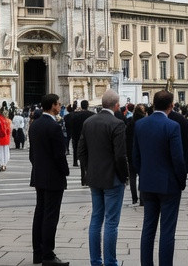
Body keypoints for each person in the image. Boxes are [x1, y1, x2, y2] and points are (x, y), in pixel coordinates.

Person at [133, 90, 187, 266]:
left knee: (148, 228)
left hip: (147, 183)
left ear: (153, 104)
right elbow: (178, 158)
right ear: (171, 106)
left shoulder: (140, 124)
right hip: (169, 184)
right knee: (167, 231)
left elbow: (135, 157)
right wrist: (181, 180)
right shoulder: (172, 126)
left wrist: (144, 174)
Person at [79, 88, 129, 266]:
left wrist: (86, 172)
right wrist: (124, 177)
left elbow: (81, 151)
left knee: (96, 219)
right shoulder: (117, 124)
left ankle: (95, 261)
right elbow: (120, 156)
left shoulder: (89, 122)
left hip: (94, 178)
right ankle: (110, 261)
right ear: (116, 105)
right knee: (111, 223)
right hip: (112, 179)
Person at [29, 93, 69, 266]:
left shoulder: (34, 125)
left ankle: (37, 253)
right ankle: (48, 254)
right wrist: (65, 171)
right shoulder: (54, 127)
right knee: (51, 216)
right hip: (53, 177)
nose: (60, 106)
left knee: (40, 213)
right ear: (53, 105)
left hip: (38, 175)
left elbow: (32, 154)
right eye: (58, 104)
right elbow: (59, 155)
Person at [67, 99, 94, 167]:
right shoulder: (92, 115)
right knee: (89, 149)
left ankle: (75, 162)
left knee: (75, 148)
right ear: (87, 106)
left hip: (77, 135)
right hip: (89, 135)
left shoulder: (76, 115)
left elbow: (72, 125)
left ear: (81, 106)